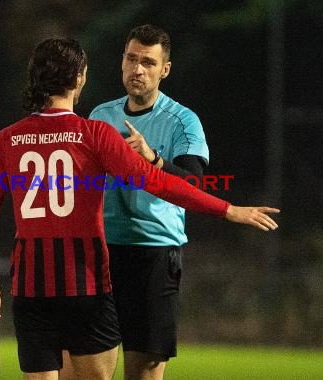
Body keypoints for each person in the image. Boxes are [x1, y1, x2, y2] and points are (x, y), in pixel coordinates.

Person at [0, 37, 278, 380]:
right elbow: (157, 182)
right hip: (84, 284)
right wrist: (227, 209)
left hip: (30, 286)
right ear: (79, 79)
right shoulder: (95, 133)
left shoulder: (6, 139)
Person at [87, 24, 228, 379]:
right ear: (121, 62)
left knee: (145, 371)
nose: (137, 69)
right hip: (101, 254)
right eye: (131, 59)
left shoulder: (183, 121)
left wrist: (153, 159)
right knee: (89, 372)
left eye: (148, 62)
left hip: (153, 254)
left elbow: (196, 185)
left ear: (164, 70)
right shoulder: (100, 116)